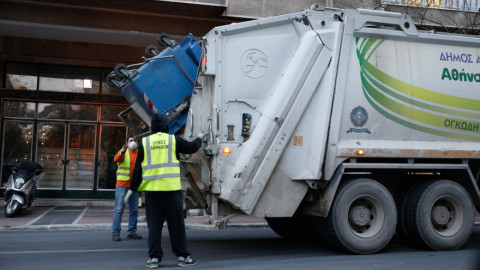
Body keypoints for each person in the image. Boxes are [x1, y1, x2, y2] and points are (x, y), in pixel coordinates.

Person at [126, 113, 202, 268]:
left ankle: (154, 258)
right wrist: (200, 138)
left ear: (153, 127)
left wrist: (132, 189)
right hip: (171, 190)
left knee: (154, 225)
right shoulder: (173, 140)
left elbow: (138, 170)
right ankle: (182, 256)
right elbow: (192, 147)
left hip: (152, 192)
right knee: (176, 225)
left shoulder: (145, 143)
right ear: (166, 126)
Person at [111, 134, 142, 241]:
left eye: (135, 141)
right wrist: (122, 151)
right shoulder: (123, 152)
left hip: (134, 187)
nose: (133, 142)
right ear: (127, 143)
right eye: (131, 140)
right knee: (119, 209)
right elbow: (116, 159)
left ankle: (132, 232)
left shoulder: (139, 154)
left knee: (134, 210)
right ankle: (115, 233)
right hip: (122, 185)